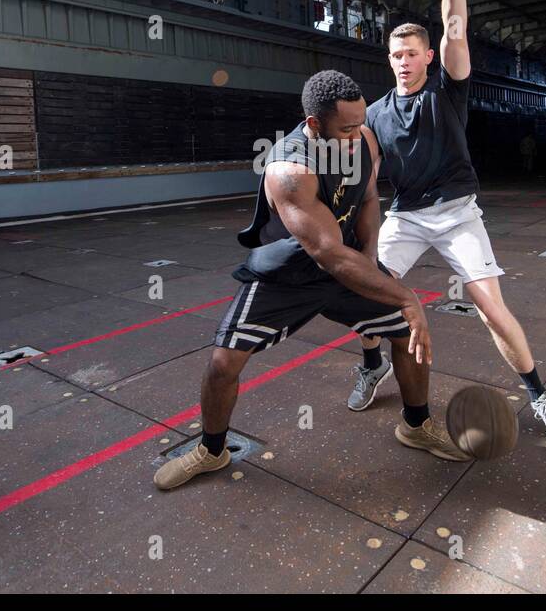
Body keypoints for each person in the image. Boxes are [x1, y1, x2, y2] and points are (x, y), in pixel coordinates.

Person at [155, 70, 469, 490]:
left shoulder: (363, 139)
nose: (359, 134)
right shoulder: (289, 167)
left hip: (349, 264)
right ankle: (212, 451)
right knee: (222, 363)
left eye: (362, 122)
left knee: (404, 334)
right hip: (291, 273)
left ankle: (415, 425)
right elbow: (326, 252)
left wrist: (371, 259)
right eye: (348, 127)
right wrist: (406, 296)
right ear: (314, 124)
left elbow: (370, 197)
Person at [353, 0, 546, 448]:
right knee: (364, 291)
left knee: (491, 309)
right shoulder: (376, 114)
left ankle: (543, 400)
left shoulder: (448, 88)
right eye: (395, 56)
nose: (403, 61)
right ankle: (370, 365)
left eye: (411, 53)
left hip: (456, 215)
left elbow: (456, 26)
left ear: (429, 56)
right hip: (406, 217)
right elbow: (369, 178)